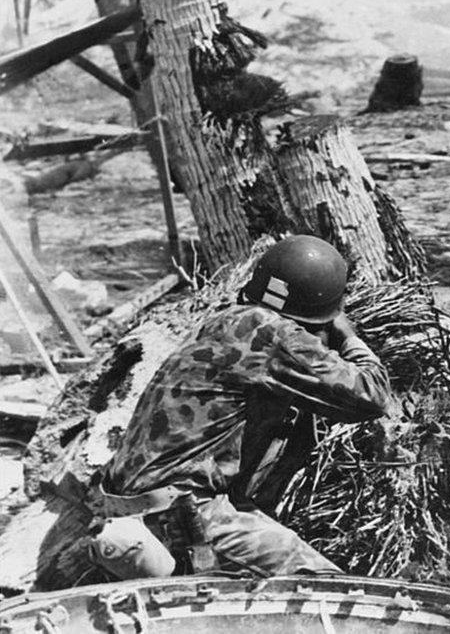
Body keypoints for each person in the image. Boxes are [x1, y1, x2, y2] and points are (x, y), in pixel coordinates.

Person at [89, 235, 392, 579]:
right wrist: (347, 335)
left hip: (127, 502)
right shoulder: (274, 334)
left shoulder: (222, 320)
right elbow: (372, 395)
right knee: (327, 588)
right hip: (183, 513)